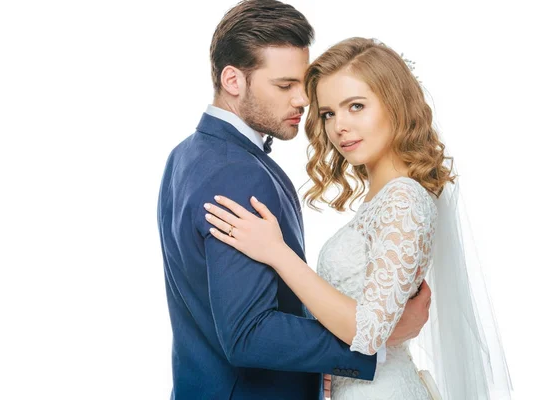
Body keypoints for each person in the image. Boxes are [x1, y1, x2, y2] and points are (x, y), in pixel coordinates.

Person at [204, 37, 512, 399]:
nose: (339, 127)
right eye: (329, 113)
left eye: (356, 106)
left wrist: (276, 252)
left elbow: (367, 331)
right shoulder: (382, 199)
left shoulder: (403, 199)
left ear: (395, 105)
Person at [157, 2, 431, 399]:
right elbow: (250, 333)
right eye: (284, 86)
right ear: (233, 80)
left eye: (302, 84)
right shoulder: (238, 172)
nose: (304, 100)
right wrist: (379, 343)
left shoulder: (184, 156)